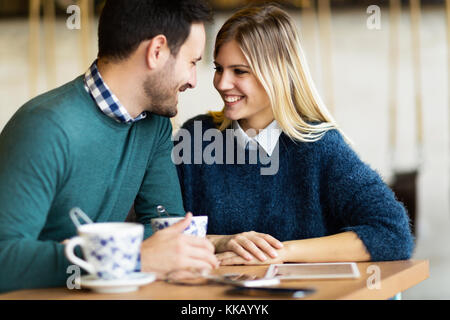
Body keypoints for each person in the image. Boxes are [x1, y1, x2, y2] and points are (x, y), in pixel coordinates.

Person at [0, 0, 218, 293]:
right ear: (157, 51)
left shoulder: (154, 126)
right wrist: (135, 257)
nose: (193, 81)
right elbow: (4, 259)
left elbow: (167, 231)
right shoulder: (45, 126)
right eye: (192, 62)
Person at [175, 4, 414, 266]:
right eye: (219, 69)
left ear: (277, 73)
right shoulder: (196, 137)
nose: (222, 83)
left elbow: (392, 233)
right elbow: (159, 234)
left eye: (239, 71)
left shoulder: (320, 147)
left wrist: (281, 252)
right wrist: (222, 241)